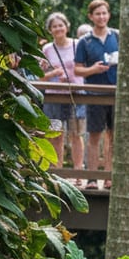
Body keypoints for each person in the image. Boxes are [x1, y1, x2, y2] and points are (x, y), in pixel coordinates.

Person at [73, 0, 118, 190]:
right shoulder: (85, 41)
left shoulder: (117, 36)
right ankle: (91, 177)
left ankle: (109, 177)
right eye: (97, 14)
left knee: (113, 137)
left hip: (116, 94)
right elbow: (78, 70)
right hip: (94, 94)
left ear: (109, 15)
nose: (101, 17)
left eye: (104, 13)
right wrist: (93, 69)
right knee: (94, 136)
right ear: (91, 17)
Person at [40, 11, 85, 180]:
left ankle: (78, 172)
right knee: (56, 135)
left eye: (61, 25)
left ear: (67, 27)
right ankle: (56, 173)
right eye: (54, 26)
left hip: (76, 94)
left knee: (76, 134)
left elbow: (84, 68)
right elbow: (40, 76)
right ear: (50, 30)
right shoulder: (47, 49)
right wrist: (54, 74)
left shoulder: (78, 44)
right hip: (54, 96)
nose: (58, 28)